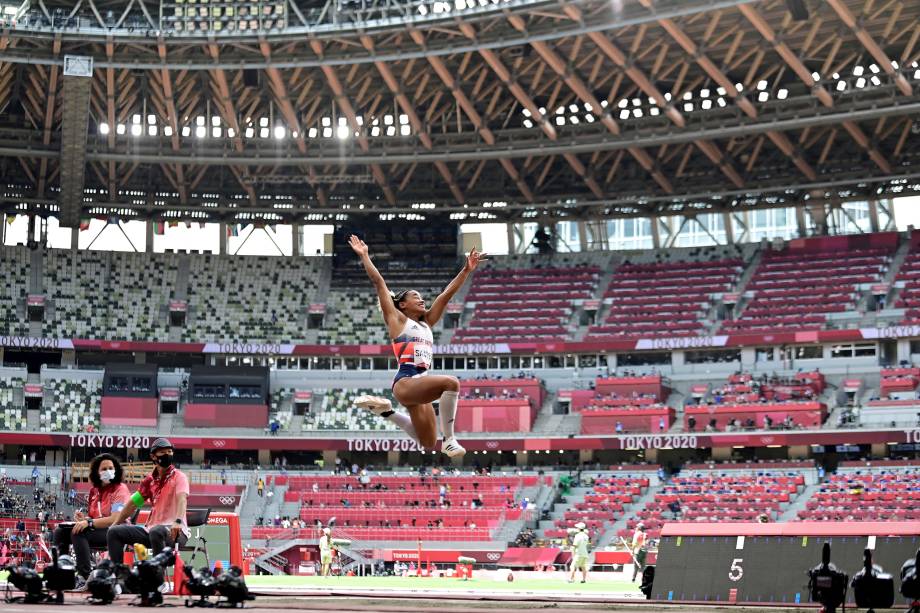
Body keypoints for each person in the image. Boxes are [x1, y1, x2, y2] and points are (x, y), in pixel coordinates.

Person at [348, 235, 486, 456]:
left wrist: (466, 270)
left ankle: (386, 412)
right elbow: (379, 283)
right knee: (451, 383)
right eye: (416, 297)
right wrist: (364, 255)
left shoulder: (427, 323)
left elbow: (446, 295)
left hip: (421, 385)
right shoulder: (397, 320)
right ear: (402, 304)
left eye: (421, 297)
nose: (422, 300)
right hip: (406, 383)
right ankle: (450, 439)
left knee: (428, 441)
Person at [107, 438, 189, 563]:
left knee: (157, 531)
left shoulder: (179, 477)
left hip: (175, 532)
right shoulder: (149, 481)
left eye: (170, 451)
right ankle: (118, 575)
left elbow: (182, 499)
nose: (168, 454)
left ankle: (157, 579)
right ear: (153, 456)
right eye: (163, 452)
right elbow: (132, 504)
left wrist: (178, 521)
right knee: (114, 532)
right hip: (150, 531)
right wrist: (116, 522)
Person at [54, 453, 130, 584]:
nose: (108, 471)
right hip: (99, 529)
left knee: (78, 532)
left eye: (111, 468)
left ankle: (85, 576)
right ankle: (63, 573)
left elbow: (115, 518)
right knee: (60, 532)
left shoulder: (120, 489)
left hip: (116, 530)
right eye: (104, 469)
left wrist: (88, 522)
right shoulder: (94, 492)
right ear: (97, 472)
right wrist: (84, 519)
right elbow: (94, 517)